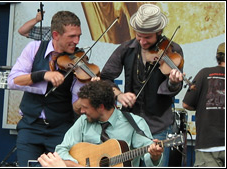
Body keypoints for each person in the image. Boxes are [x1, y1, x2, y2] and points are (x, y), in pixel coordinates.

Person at [100, 4, 184, 167]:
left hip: (158, 125)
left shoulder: (173, 50)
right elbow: (105, 78)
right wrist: (119, 95)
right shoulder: (126, 48)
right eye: (139, 36)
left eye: (148, 37)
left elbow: (174, 89)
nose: (143, 41)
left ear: (159, 32)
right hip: (129, 125)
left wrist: (173, 82)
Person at [8, 11, 83, 166]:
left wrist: (87, 91)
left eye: (78, 36)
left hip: (61, 129)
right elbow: (13, 81)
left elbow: (76, 106)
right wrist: (42, 75)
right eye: (71, 36)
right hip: (30, 126)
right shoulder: (34, 48)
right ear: (55, 35)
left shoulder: (79, 61)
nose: (76, 41)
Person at [54, 80, 163, 167]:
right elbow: (61, 149)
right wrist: (77, 166)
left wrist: (155, 156)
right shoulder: (83, 121)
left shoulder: (134, 123)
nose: (81, 111)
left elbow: (150, 160)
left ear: (101, 107)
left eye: (86, 107)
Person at [182, 42, 225, 167]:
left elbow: (186, 104)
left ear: (218, 57)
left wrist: (203, 106)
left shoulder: (204, 73)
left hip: (208, 145)